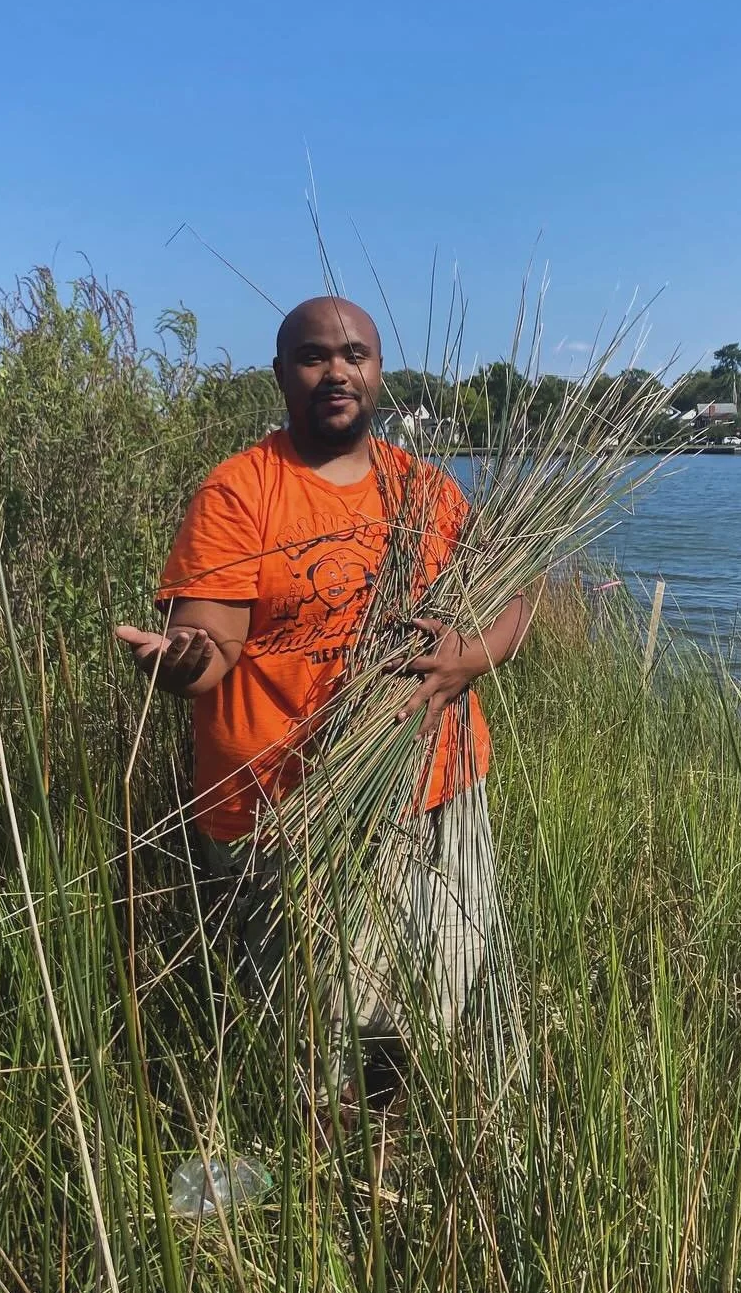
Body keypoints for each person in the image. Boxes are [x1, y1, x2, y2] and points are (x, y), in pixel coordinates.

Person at [116, 295, 531, 1116]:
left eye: (354, 355)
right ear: (281, 376)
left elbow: (512, 592)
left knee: (447, 986)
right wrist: (182, 661)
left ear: (379, 373)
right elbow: (209, 650)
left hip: (439, 786)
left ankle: (422, 1160)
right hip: (289, 808)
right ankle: (341, 1194)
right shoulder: (240, 494)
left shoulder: (429, 492)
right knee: (323, 1035)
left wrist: (467, 662)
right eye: (312, 357)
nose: (335, 371)